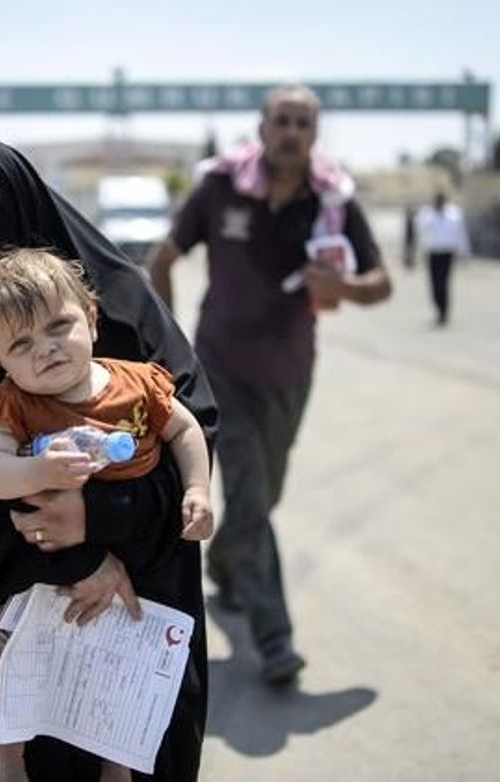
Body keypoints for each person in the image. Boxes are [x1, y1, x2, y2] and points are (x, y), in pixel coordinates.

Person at [0, 134, 217, 781]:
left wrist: (103, 517)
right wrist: (77, 555)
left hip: (129, 614)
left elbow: (192, 429)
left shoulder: (115, 305)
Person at [147, 84, 391, 685]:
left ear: (314, 134)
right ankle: (274, 638)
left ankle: (229, 566)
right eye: (282, 120)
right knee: (253, 495)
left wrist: (348, 291)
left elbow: (380, 281)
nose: (291, 131)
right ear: (262, 128)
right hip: (221, 368)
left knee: (264, 496)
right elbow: (162, 259)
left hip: (290, 373)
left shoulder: (332, 199)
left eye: (303, 123)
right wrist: (170, 348)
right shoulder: (221, 187)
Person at [0, 248, 214, 782]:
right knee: (17, 658)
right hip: (57, 566)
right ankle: (7, 760)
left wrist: (197, 488)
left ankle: (118, 766)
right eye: (21, 343)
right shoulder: (15, 405)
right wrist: (35, 474)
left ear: (93, 319)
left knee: (125, 669)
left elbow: (186, 430)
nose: (46, 350)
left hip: (141, 562)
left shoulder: (139, 382)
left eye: (59, 326)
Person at [414, 190, 470, 325]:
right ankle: (438, 308)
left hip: (447, 252)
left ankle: (444, 312)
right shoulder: (426, 214)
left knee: (444, 283)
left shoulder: (454, 214)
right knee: (435, 283)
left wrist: (464, 252)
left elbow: (461, 234)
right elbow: (418, 231)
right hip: (433, 252)